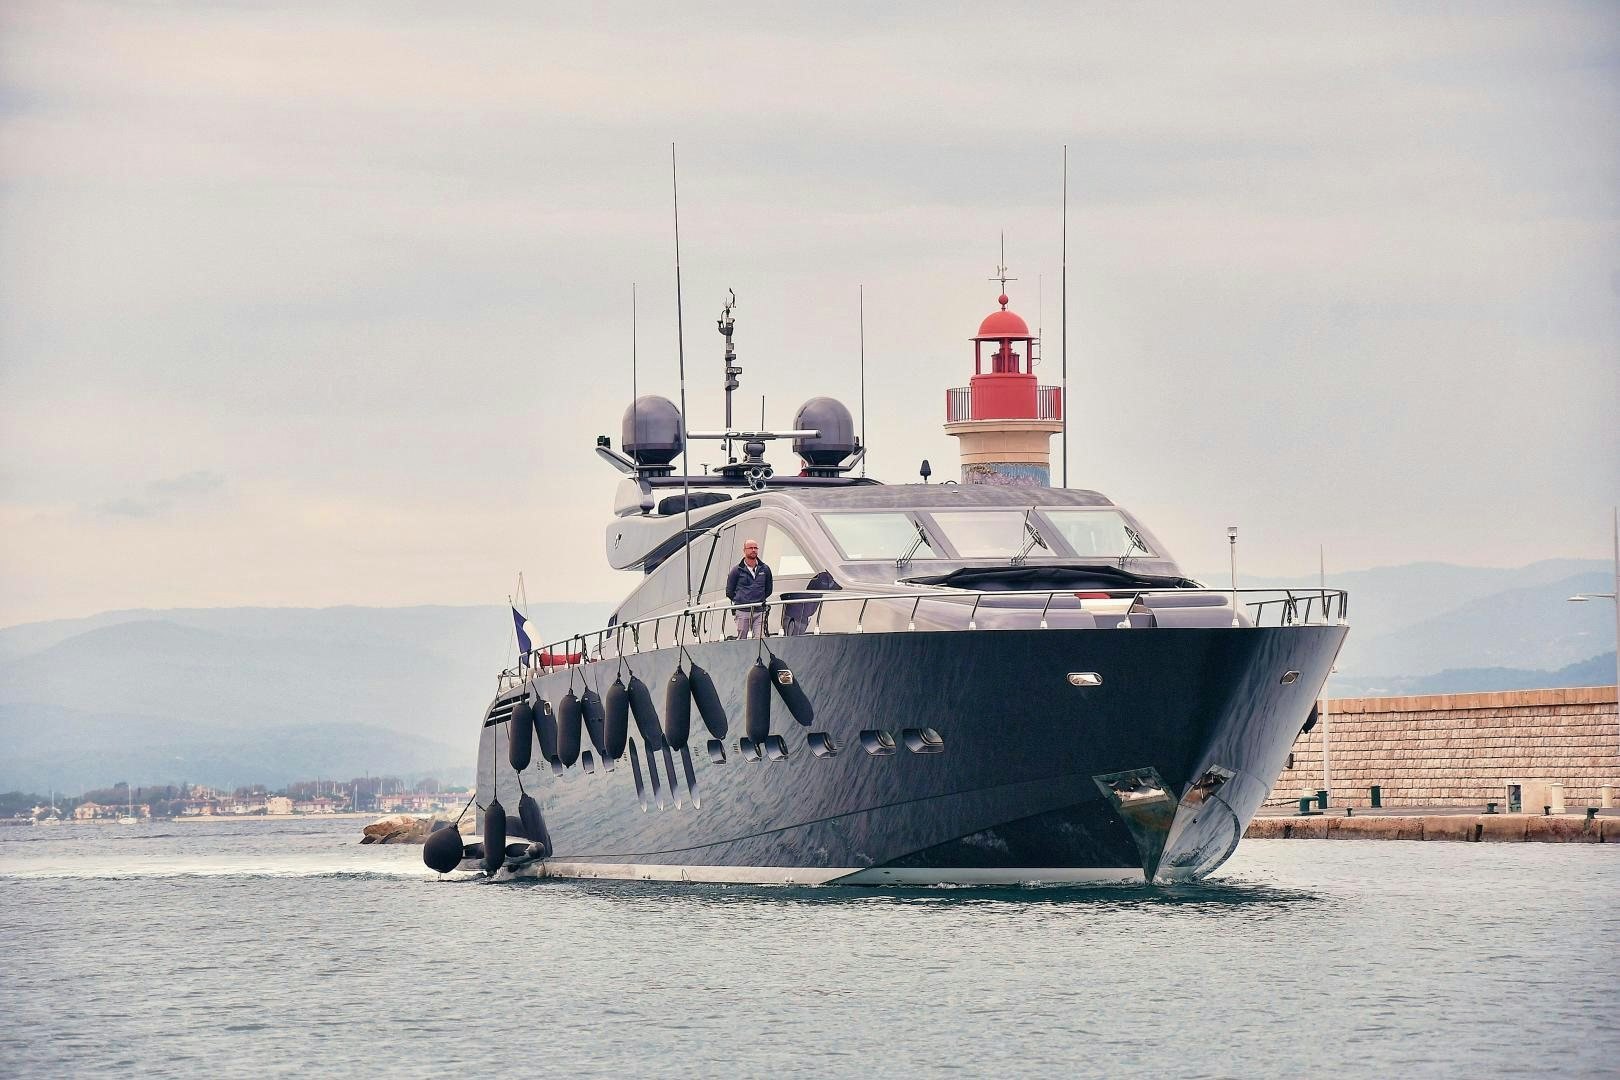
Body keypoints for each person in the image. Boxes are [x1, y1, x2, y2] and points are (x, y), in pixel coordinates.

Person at [725, 538, 773, 639]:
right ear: (744, 550)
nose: (753, 550)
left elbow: (769, 589)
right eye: (750, 548)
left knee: (760, 638)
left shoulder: (765, 569)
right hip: (743, 611)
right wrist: (741, 600)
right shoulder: (736, 570)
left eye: (755, 548)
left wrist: (760, 599)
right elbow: (729, 591)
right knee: (742, 637)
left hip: (759, 610)